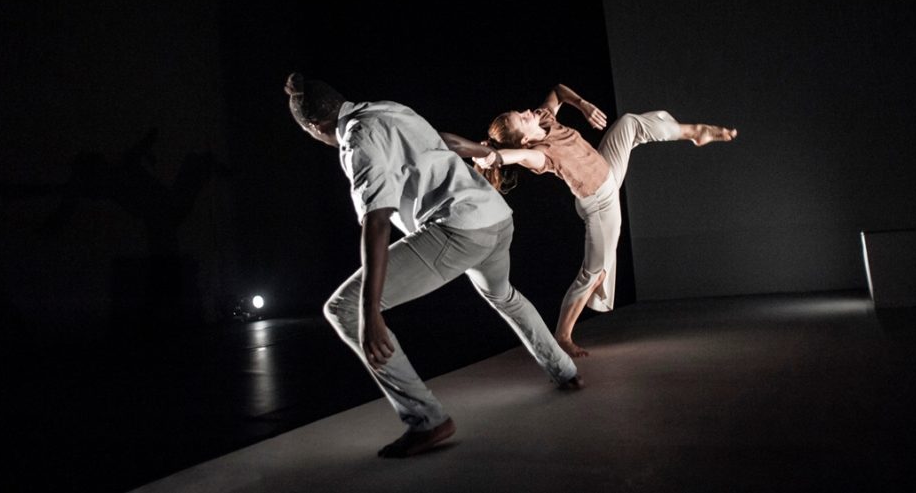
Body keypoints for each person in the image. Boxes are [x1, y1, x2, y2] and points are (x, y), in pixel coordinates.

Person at [284, 72, 582, 459]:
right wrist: (485, 154)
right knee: (502, 294)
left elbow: (377, 220)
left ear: (314, 127)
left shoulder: (357, 139)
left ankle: (426, 420)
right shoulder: (387, 108)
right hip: (496, 217)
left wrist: (370, 310)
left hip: (461, 229)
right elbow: (443, 140)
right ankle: (564, 371)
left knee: (343, 308)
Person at [440, 84, 737, 358]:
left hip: (607, 169)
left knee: (629, 124)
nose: (528, 112)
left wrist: (582, 105)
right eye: (523, 119)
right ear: (526, 139)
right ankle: (563, 336)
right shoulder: (539, 156)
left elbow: (557, 91)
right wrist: (489, 156)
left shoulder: (544, 119)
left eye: (522, 112)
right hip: (599, 203)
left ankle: (697, 132)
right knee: (594, 273)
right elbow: (511, 157)